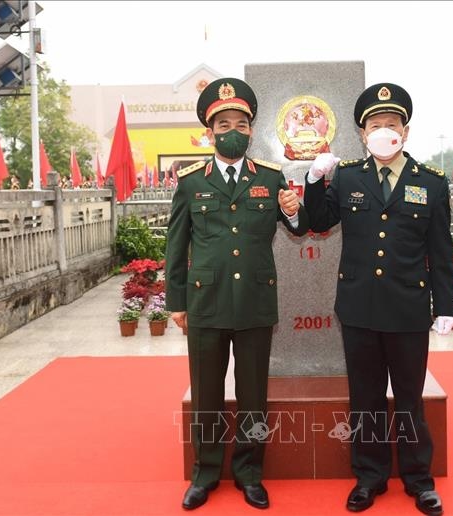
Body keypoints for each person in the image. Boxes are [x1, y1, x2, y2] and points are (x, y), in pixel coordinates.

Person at [303, 83, 453, 515]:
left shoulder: (430, 182)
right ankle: (369, 477)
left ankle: (418, 479)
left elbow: (440, 251)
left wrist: (445, 305)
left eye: (392, 124)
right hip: (360, 307)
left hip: (408, 308)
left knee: (409, 397)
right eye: (375, 124)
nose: (384, 131)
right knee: (365, 398)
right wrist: (314, 180)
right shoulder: (348, 176)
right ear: (361, 131)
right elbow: (317, 221)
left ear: (405, 132)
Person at [165, 77, 309, 511]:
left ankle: (250, 473)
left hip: (254, 302)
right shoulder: (190, 182)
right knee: (206, 394)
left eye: (241, 124)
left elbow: (298, 228)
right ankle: (205, 472)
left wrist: (294, 210)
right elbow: (176, 244)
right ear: (210, 133)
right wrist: (176, 302)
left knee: (253, 396)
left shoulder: (269, 175)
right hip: (205, 303)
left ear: (250, 130)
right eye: (223, 123)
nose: (233, 130)